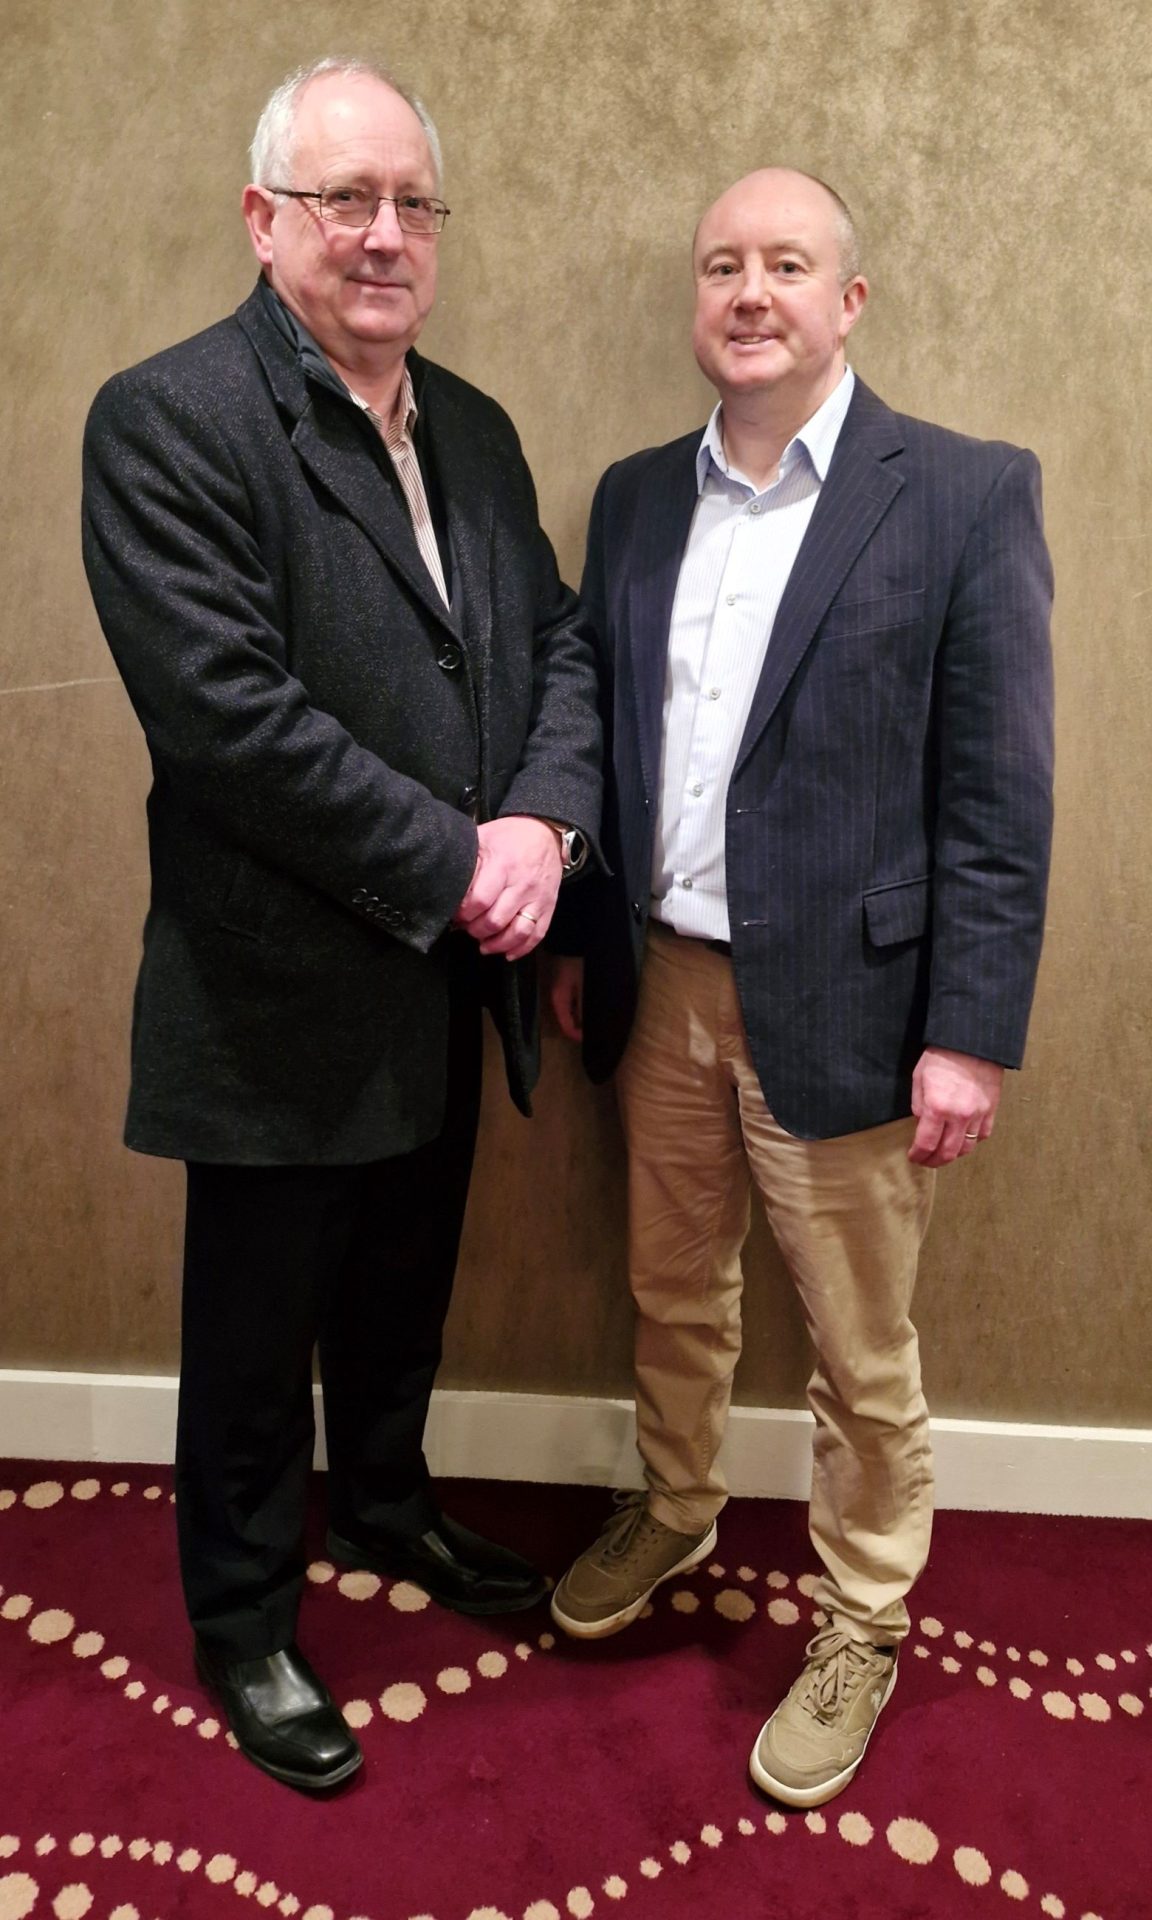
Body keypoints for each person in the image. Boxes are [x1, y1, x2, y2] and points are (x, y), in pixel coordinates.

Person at [82, 56, 601, 1792]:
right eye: (343, 199)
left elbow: (557, 650)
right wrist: (466, 861)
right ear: (263, 219)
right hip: (277, 987)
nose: (385, 234)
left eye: (411, 204)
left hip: (453, 976)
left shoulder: (476, 427)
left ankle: (385, 1505)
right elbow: (230, 722)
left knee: (402, 1285)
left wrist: (544, 829)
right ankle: (243, 1622)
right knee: (254, 1339)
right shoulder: (168, 420)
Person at [546, 168, 1053, 1808]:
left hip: (854, 1007)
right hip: (663, 988)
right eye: (722, 265)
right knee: (670, 1288)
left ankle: (862, 1616)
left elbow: (1000, 790)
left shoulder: (963, 492)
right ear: (696, 300)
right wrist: (585, 938)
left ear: (849, 301)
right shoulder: (636, 498)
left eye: (786, 263)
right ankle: (678, 1503)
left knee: (859, 1344)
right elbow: (605, 732)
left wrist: (969, 1032)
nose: (749, 291)